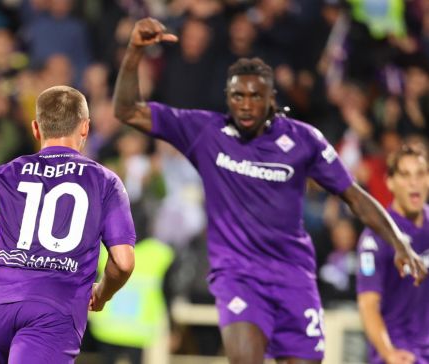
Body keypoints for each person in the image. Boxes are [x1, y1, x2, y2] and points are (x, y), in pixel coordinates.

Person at [113, 17, 428, 364]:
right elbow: (128, 111)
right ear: (227, 97)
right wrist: (134, 52)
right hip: (238, 276)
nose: (245, 104)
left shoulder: (303, 140)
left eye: (255, 96)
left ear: (271, 98)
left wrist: (399, 242)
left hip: (294, 276)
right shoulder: (206, 132)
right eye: (237, 96)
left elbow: (353, 196)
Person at [0, 85, 136, 363]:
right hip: (51, 312)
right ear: (85, 128)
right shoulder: (105, 182)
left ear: (36, 128)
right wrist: (102, 294)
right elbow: (124, 262)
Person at [357, 145, 429, 364]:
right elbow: (368, 304)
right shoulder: (377, 237)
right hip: (400, 353)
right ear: (390, 182)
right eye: (405, 175)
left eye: (420, 174)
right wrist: (388, 353)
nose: (413, 182)